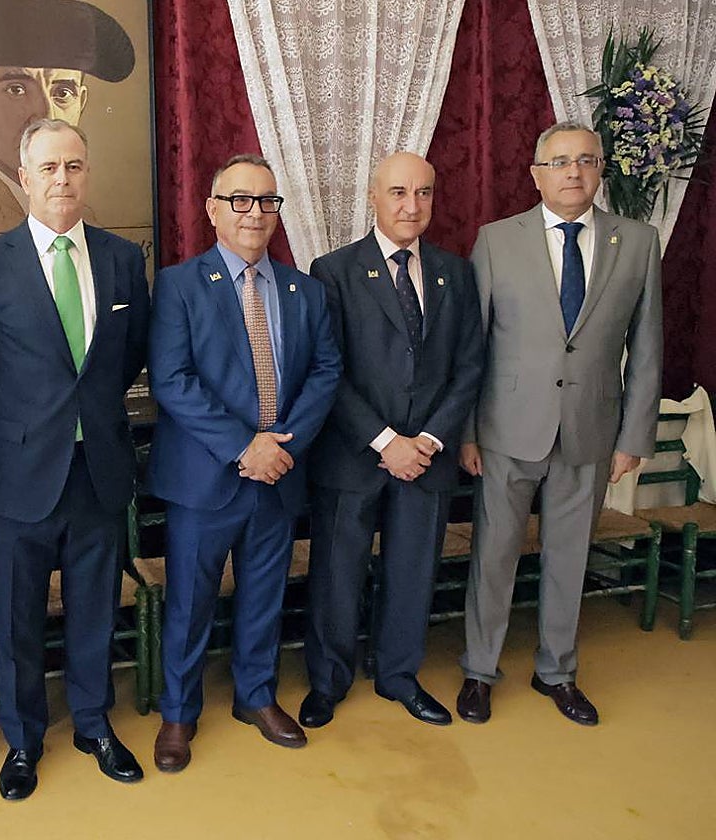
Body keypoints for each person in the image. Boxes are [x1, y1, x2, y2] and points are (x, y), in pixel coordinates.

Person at [0, 118, 150, 799]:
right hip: (19, 474)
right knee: (18, 618)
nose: (62, 179)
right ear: (23, 176)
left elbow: (125, 359)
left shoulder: (124, 261)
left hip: (96, 468)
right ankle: (22, 739)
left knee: (96, 608)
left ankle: (95, 724)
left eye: (73, 166)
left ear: (86, 173)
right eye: (48, 168)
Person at [457, 121, 662, 726]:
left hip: (591, 431)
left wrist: (634, 437)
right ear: (537, 173)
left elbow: (648, 347)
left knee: (570, 557)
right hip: (505, 429)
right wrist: (468, 430)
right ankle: (478, 670)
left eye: (587, 160)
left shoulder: (639, 241)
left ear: (601, 170)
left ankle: (557, 672)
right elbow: (474, 346)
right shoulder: (497, 240)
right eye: (561, 161)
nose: (575, 172)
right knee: (494, 555)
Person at [146, 154, 341, 772]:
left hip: (279, 474)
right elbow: (171, 381)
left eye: (267, 201)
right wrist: (243, 446)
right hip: (206, 479)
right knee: (190, 603)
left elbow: (326, 372)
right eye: (240, 200)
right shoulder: (179, 285)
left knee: (264, 594)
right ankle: (179, 712)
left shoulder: (304, 290)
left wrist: (282, 447)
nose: (255, 213)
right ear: (212, 209)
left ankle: (256, 696)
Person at [302, 152, 483, 731]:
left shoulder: (455, 273)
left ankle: (399, 676)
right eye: (399, 192)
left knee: (413, 572)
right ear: (373, 199)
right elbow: (329, 370)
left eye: (424, 193)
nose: (412, 205)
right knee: (338, 573)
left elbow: (470, 366)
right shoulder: (332, 270)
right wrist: (385, 441)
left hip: (427, 456)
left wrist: (427, 439)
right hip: (355, 453)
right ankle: (327, 681)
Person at [0, 0, 134, 238]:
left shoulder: (90, 223)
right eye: (16, 90)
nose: (44, 114)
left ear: (81, 103)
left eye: (63, 93)